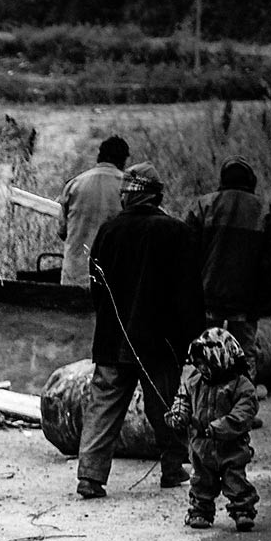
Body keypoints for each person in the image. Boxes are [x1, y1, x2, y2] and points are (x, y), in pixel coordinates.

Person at [75, 163, 203, 499]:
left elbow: (96, 288)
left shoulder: (108, 231)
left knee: (103, 405)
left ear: (128, 197)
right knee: (166, 404)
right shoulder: (177, 233)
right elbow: (188, 294)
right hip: (158, 341)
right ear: (157, 195)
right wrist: (191, 339)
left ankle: (90, 476)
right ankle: (174, 469)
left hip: (112, 337)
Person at [166, 327, 259, 531]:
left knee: (235, 479)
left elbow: (241, 417)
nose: (201, 369)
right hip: (201, 447)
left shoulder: (242, 386)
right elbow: (183, 399)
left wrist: (215, 428)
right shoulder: (194, 382)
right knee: (201, 482)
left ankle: (242, 510)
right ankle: (201, 511)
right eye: (198, 364)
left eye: (205, 364)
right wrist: (179, 415)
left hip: (231, 446)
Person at [184, 156, 270, 371]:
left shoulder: (204, 205)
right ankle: (243, 399)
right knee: (245, 353)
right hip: (246, 299)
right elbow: (268, 263)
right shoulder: (263, 211)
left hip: (208, 296)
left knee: (204, 350)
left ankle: (204, 399)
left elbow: (188, 254)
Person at [58, 136, 128, 288]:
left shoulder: (74, 184)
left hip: (75, 276)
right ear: (123, 161)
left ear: (99, 156)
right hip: (111, 280)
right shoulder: (127, 188)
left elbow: (62, 232)